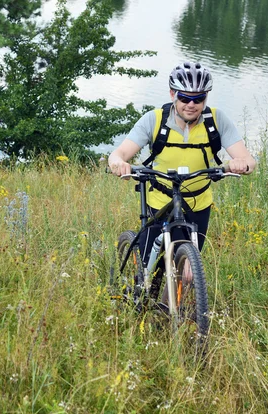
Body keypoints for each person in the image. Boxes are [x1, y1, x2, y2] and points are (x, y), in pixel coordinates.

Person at [108, 61, 256, 265]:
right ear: (172, 94)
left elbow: (249, 160)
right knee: (147, 266)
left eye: (199, 98)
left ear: (206, 97)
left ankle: (174, 295)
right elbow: (119, 153)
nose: (191, 104)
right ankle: (138, 291)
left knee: (187, 271)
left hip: (198, 205)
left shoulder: (216, 120)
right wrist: (118, 164)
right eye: (184, 97)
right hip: (160, 202)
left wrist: (239, 164)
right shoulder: (155, 120)